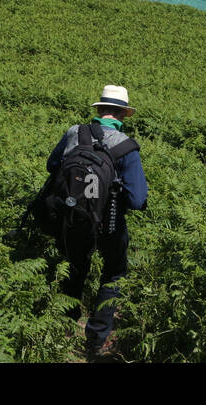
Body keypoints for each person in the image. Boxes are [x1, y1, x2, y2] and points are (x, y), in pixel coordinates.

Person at [45, 84, 147, 357]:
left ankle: (64, 328)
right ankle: (97, 339)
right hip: (109, 222)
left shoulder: (73, 133)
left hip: (72, 216)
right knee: (114, 273)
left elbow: (52, 167)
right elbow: (138, 199)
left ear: (99, 109)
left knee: (75, 267)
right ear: (124, 114)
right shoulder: (126, 146)